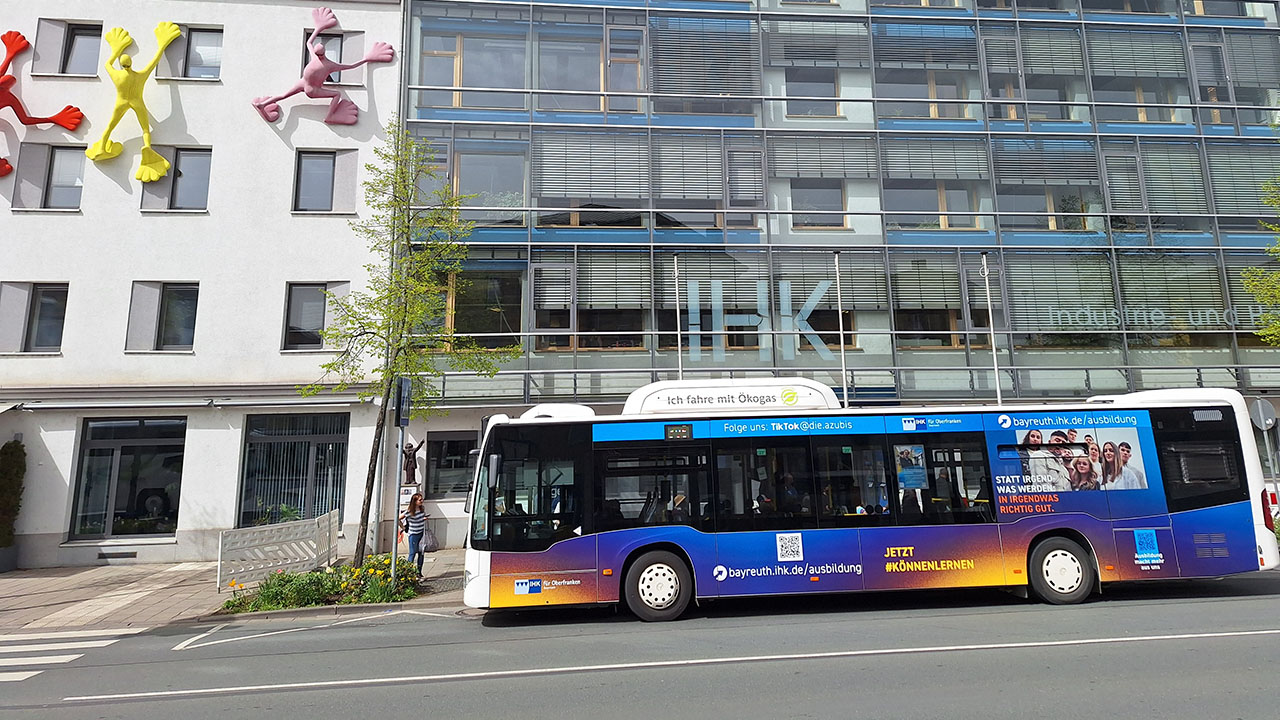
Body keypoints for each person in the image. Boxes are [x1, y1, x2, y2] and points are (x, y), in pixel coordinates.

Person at [400, 492, 429, 573]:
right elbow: (398, 518)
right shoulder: (409, 511)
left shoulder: (422, 508)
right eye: (420, 500)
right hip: (413, 534)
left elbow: (421, 517)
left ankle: (419, 572)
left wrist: (424, 518)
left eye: (422, 499)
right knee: (412, 553)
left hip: (421, 533)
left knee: (421, 553)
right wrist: (403, 527)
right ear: (415, 501)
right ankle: (408, 572)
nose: (422, 501)